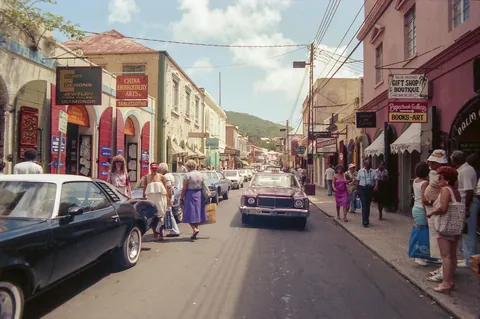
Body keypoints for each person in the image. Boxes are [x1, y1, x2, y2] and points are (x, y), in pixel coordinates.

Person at [427, 166, 464, 294]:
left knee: (446, 256)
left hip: (445, 226)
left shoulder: (445, 190)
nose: (438, 180)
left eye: (440, 177)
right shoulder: (455, 191)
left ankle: (446, 283)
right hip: (455, 227)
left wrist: (432, 213)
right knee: (453, 256)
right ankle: (450, 281)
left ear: (445, 178)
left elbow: (443, 208)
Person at [423, 149, 448, 282]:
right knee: (436, 240)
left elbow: (443, 195)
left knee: (442, 242)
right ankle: (442, 268)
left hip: (437, 209)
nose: (430, 164)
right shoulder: (435, 173)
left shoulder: (443, 178)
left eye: (432, 162)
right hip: (432, 209)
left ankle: (445, 271)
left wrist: (431, 202)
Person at [450, 150, 478, 267]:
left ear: (455, 161)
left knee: (469, 232)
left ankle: (470, 260)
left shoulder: (465, 171)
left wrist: (466, 208)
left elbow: (469, 191)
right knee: (466, 231)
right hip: (466, 203)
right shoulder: (465, 169)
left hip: (469, 204)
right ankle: (468, 257)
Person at [180, 160, 209, 241]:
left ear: (188, 167)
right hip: (199, 194)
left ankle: (194, 228)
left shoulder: (187, 175)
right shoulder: (201, 174)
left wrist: (181, 198)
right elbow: (204, 184)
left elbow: (184, 188)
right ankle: (194, 231)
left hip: (190, 194)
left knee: (188, 213)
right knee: (197, 213)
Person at [144, 163, 171, 241]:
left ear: (157, 169)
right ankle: (155, 233)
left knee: (161, 215)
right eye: (152, 168)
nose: (154, 170)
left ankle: (161, 233)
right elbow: (145, 188)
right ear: (150, 168)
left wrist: (168, 198)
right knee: (152, 216)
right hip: (150, 198)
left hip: (160, 198)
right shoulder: (147, 177)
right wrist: (144, 198)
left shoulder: (162, 177)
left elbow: (165, 188)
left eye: (155, 169)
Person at [411, 162, 431, 266]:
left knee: (420, 231)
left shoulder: (415, 181)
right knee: (422, 232)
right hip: (421, 209)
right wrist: (427, 213)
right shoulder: (425, 183)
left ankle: (422, 254)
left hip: (416, 207)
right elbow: (424, 199)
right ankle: (419, 256)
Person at [158, 163, 180, 237]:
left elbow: (168, 189)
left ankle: (174, 230)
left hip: (168, 197)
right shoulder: (170, 175)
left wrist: (168, 199)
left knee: (168, 213)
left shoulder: (166, 177)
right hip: (171, 196)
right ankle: (162, 228)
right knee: (167, 213)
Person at [356, 158, 376, 227]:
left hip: (370, 189)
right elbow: (357, 181)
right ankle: (365, 221)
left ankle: (367, 219)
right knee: (364, 205)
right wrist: (357, 190)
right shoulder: (360, 171)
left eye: (369, 163)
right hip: (362, 189)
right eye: (366, 163)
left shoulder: (373, 171)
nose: (368, 164)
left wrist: (376, 186)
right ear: (364, 164)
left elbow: (376, 179)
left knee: (368, 205)